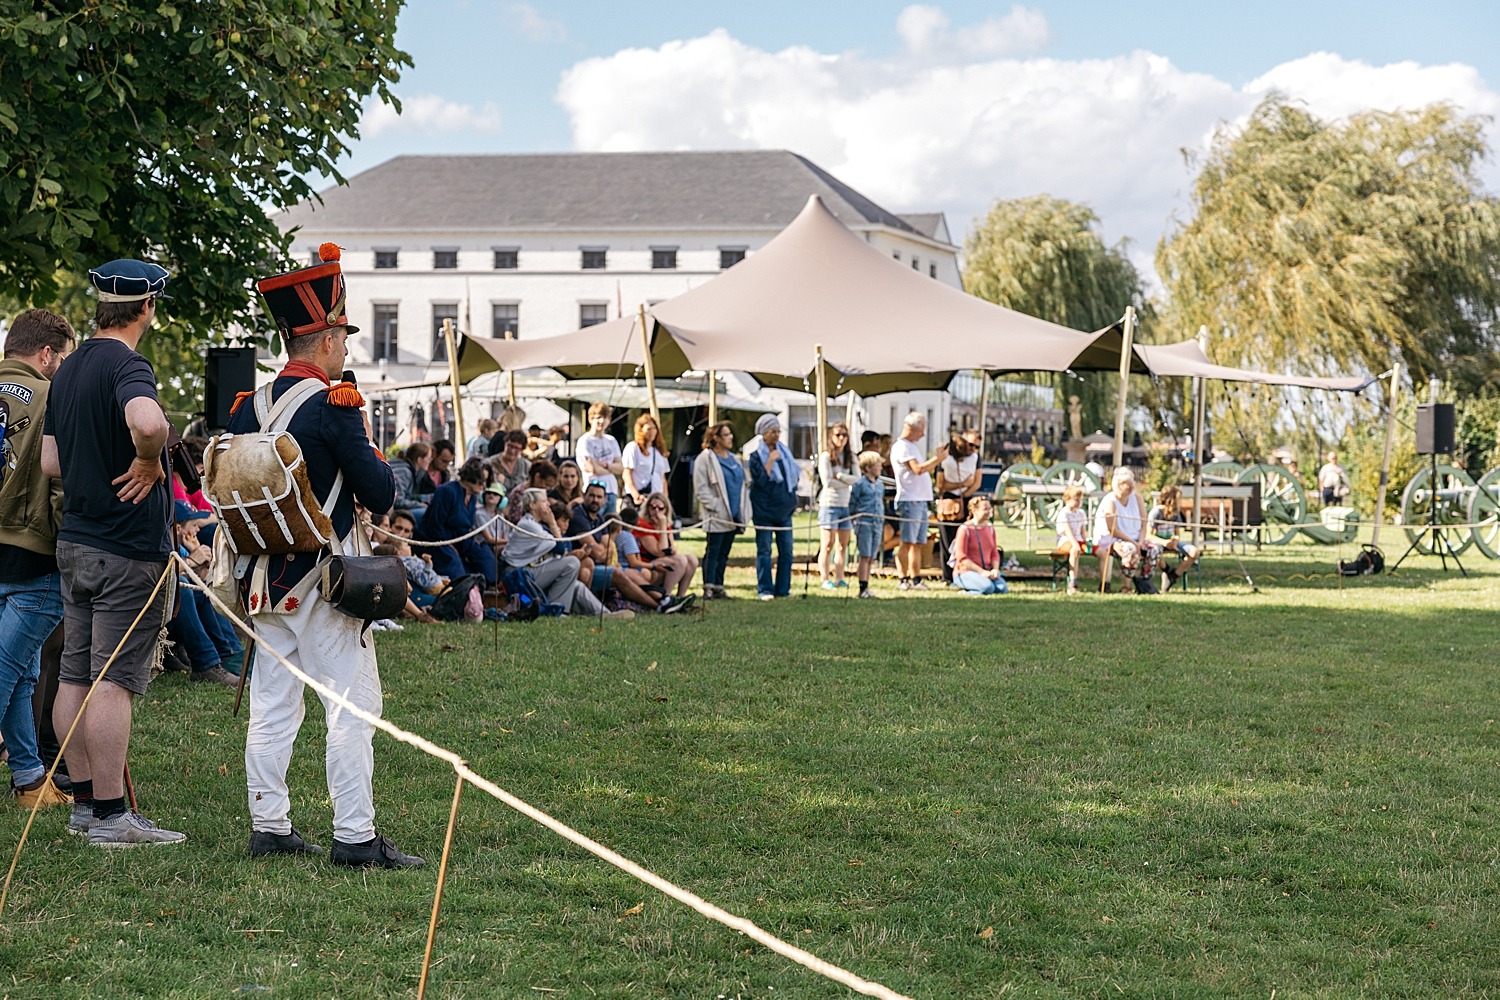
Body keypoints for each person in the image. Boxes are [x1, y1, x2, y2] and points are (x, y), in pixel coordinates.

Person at [227, 246, 422, 867]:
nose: (344, 345)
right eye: (341, 333)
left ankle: (270, 825)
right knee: (352, 707)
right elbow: (381, 492)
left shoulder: (247, 406)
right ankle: (356, 836)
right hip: (323, 581)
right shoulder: (335, 406)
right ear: (326, 338)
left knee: (273, 706)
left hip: (262, 578)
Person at [42, 261, 184, 848]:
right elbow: (147, 422)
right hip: (126, 549)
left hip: (75, 542)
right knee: (113, 678)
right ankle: (109, 815)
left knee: (74, 673)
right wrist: (149, 458)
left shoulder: (69, 367)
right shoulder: (128, 364)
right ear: (146, 306)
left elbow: (51, 463)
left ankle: (82, 807)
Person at [0, 309, 74, 810]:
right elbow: (60, 482)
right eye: (63, 357)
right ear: (46, 353)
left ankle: (28, 778)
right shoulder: (52, 395)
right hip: (33, 555)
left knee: (22, 671)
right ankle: (28, 777)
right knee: (6, 669)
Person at [502, 488, 633, 620]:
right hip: (519, 575)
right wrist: (553, 522)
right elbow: (560, 548)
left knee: (576, 586)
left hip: (530, 573)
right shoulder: (529, 525)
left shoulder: (537, 524)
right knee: (572, 563)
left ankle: (604, 614)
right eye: (543, 501)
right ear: (532, 505)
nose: (548, 504)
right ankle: (556, 611)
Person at [168, 501, 242, 686]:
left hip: (175, 613)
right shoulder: (161, 543)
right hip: (155, 608)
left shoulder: (183, 548)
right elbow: (162, 572)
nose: (198, 530)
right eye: (193, 525)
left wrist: (196, 554)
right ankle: (206, 664)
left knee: (204, 591)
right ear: (178, 528)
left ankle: (229, 654)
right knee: (182, 585)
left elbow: (204, 577)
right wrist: (193, 561)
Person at [415, 457, 497, 586]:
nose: (484, 485)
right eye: (482, 480)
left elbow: (466, 527)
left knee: (486, 559)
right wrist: (451, 546)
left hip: (461, 538)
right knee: (454, 563)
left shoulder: (473, 498)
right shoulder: (447, 491)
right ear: (472, 475)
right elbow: (434, 526)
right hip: (437, 540)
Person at [889, 412, 948, 592]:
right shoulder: (902, 447)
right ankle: (903, 578)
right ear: (912, 428)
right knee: (907, 542)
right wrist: (938, 459)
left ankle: (915, 578)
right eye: (921, 430)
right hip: (910, 500)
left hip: (921, 500)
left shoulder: (913, 446)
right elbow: (917, 469)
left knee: (918, 543)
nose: (923, 434)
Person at [693, 421, 748, 600]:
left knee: (724, 552)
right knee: (713, 551)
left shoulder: (734, 459)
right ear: (715, 438)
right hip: (717, 515)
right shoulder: (706, 458)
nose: (730, 437)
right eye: (726, 434)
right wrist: (715, 506)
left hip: (733, 514)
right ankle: (708, 586)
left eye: (730, 434)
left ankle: (719, 585)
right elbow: (701, 488)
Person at [748, 414, 799, 601]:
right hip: (764, 511)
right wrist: (770, 461)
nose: (776, 435)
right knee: (765, 551)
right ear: (763, 434)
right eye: (772, 431)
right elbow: (760, 481)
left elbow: (792, 479)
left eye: (778, 431)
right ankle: (765, 589)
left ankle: (783, 588)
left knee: (786, 550)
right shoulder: (756, 456)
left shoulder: (785, 454)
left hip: (785, 510)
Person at [1093, 467, 1157, 595]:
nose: (1129, 486)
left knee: (1154, 549)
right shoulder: (1110, 501)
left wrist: (1141, 541)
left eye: (1130, 483)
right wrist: (1133, 542)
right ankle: (1125, 587)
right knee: (1129, 549)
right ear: (1118, 485)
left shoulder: (1137, 498)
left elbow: (1144, 523)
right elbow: (1112, 529)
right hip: (1113, 538)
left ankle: (1144, 582)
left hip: (1136, 536)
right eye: (1125, 483)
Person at [816, 422, 859, 590]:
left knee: (843, 544)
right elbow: (827, 482)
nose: (841, 438)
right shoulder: (826, 456)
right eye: (837, 435)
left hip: (845, 504)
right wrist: (846, 481)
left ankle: (840, 577)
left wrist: (840, 476)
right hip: (829, 504)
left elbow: (857, 479)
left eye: (844, 435)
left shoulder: (851, 457)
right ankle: (825, 578)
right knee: (828, 544)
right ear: (831, 437)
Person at [935, 432, 980, 585]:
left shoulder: (945, 461)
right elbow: (975, 481)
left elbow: (940, 485)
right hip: (965, 501)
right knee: (965, 540)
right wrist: (964, 488)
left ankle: (947, 576)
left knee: (947, 542)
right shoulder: (974, 459)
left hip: (948, 501)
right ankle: (963, 572)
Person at [636, 492, 698, 604]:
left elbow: (671, 547)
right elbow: (659, 551)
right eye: (653, 507)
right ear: (647, 508)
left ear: (666, 510)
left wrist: (672, 548)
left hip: (663, 560)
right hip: (647, 563)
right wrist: (663, 526)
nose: (656, 512)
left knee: (692, 560)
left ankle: (680, 596)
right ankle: (666, 598)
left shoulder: (667, 525)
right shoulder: (643, 525)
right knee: (679, 560)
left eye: (660, 508)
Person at [1147, 484, 1202, 593]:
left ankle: (1174, 575)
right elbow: (1148, 535)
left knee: (1194, 552)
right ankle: (1167, 570)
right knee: (1155, 551)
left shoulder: (1176, 513)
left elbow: (1177, 533)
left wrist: (1175, 541)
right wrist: (1163, 542)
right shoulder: (1156, 512)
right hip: (1158, 542)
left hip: (1172, 542)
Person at [848, 451, 885, 599]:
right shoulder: (860, 484)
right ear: (868, 467)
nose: (881, 467)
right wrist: (854, 519)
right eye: (878, 465)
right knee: (864, 555)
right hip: (864, 523)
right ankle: (862, 586)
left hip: (877, 522)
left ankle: (867, 584)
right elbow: (852, 504)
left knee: (871, 556)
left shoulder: (880, 484)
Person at [951, 496, 1007, 595]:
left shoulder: (990, 528)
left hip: (986, 571)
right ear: (974, 511)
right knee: (988, 588)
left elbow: (994, 552)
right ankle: (966, 592)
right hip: (966, 572)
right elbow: (961, 557)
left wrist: (995, 569)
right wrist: (981, 572)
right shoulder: (965, 529)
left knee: (1002, 589)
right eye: (985, 509)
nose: (989, 511)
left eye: (990, 508)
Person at [578, 402, 624, 515]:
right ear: (590, 419)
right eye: (598, 417)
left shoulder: (611, 440)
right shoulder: (585, 441)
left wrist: (606, 465)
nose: (602, 421)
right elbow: (593, 469)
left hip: (611, 491)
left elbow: (621, 468)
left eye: (605, 418)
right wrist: (610, 469)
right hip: (594, 492)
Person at [622, 413, 671, 509]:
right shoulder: (633, 448)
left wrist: (665, 498)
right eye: (648, 429)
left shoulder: (659, 451)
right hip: (639, 497)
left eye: (654, 429)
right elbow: (627, 474)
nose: (652, 432)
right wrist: (635, 495)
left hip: (656, 499)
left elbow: (663, 478)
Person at [1055, 484, 1091, 596]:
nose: (1079, 502)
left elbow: (1083, 532)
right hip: (1066, 542)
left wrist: (1088, 542)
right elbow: (1068, 533)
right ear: (1067, 499)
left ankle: (1105, 583)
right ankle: (1072, 582)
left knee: (1101, 551)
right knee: (1074, 551)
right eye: (1076, 500)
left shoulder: (1081, 513)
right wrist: (1076, 545)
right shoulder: (1064, 513)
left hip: (1079, 540)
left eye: (1080, 500)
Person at [389, 441, 433, 516]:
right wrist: (420, 505)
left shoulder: (407, 470)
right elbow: (398, 501)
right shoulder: (404, 472)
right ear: (419, 460)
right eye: (428, 458)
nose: (430, 461)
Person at [488, 429, 531, 494]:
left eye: (516, 448)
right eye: (510, 446)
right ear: (505, 444)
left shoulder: (527, 466)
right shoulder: (490, 463)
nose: (512, 451)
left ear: (522, 450)